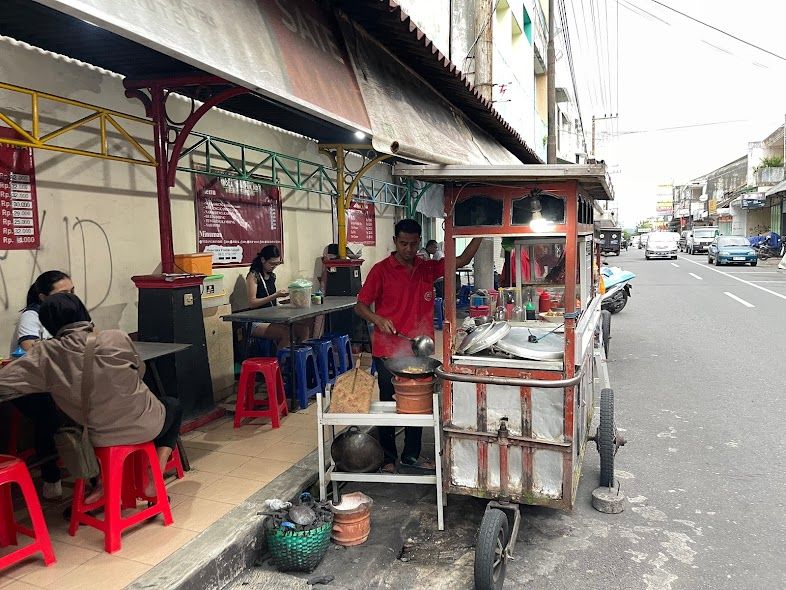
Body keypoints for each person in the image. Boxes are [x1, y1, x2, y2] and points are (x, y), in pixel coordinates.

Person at [0, 293, 182, 504]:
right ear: (84, 313)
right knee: (173, 405)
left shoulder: (45, 355)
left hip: (95, 437)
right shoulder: (117, 338)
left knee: (68, 420)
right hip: (144, 424)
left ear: (49, 323)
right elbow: (139, 371)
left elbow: (5, 382)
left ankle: (101, 483)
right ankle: (153, 477)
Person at [355, 219, 481, 473]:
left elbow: (463, 260)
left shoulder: (426, 268)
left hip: (418, 349)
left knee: (419, 403)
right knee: (390, 402)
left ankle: (410, 455)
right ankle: (388, 457)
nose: (408, 249)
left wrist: (481, 230)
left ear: (419, 242)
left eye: (413, 244)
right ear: (395, 242)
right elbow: (360, 305)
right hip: (388, 350)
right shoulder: (380, 270)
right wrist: (377, 319)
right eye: (403, 243)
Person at [8, 270, 74, 500]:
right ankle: (50, 476)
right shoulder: (31, 317)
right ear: (44, 296)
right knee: (49, 415)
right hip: (27, 385)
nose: (70, 297)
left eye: (72, 292)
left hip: (57, 382)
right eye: (64, 293)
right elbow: (31, 348)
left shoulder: (68, 314)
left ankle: (92, 474)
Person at [246, 244, 309, 347]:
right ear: (263, 260)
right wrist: (275, 295)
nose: (274, 267)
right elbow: (252, 303)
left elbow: (273, 302)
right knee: (286, 333)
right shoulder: (253, 276)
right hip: (256, 321)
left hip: (272, 317)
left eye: (277, 264)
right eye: (272, 264)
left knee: (303, 330)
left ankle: (298, 360)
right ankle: (281, 362)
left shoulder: (272, 276)